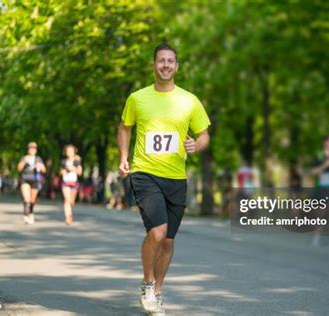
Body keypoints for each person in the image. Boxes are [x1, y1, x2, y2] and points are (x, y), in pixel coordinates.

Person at [118, 43, 210, 315]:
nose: (166, 65)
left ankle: (157, 292)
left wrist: (198, 145)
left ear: (177, 66)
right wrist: (123, 156)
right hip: (145, 173)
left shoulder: (189, 100)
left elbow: (204, 134)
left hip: (176, 177)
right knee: (157, 232)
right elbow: (124, 128)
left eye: (170, 61)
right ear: (154, 65)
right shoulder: (137, 98)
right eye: (161, 61)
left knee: (168, 240)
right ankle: (147, 283)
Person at [17, 142, 46, 224]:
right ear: (28, 149)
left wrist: (40, 166)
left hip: (35, 180)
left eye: (34, 148)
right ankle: (26, 214)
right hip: (25, 179)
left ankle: (31, 213)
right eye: (31, 148)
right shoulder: (24, 158)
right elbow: (19, 168)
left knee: (32, 200)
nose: (32, 150)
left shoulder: (38, 159)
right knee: (27, 198)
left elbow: (44, 170)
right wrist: (24, 162)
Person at [60, 145, 83, 225]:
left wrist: (72, 168)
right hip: (65, 182)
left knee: (71, 201)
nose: (69, 152)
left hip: (74, 183)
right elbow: (61, 171)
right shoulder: (63, 161)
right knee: (67, 200)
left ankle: (70, 213)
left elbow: (80, 172)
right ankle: (68, 217)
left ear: (74, 152)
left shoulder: (77, 161)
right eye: (68, 151)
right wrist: (63, 172)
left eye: (71, 151)